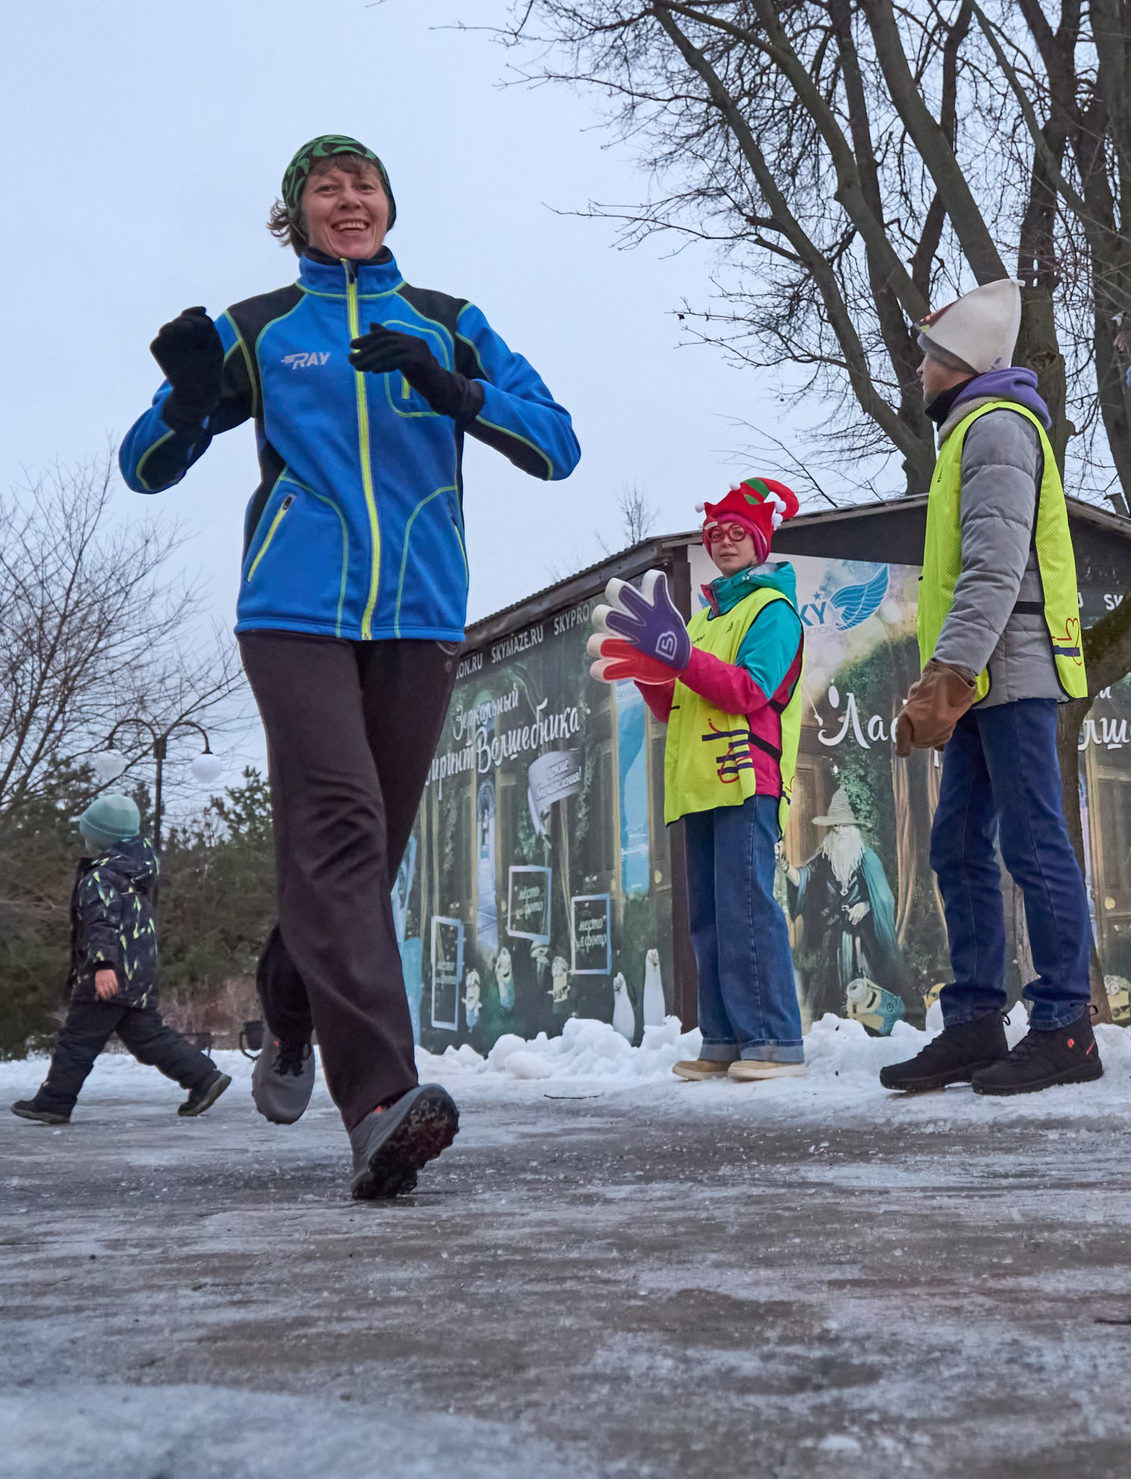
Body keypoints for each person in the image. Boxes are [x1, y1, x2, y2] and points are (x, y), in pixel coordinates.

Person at [116, 134, 581, 1198]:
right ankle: (378, 1102)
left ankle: (287, 1008)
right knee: (339, 825)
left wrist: (454, 389)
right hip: (293, 608)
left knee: (361, 863)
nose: (347, 198)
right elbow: (145, 467)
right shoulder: (264, 328)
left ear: (388, 207)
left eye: (363, 183)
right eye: (325, 188)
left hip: (419, 613)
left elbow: (558, 444)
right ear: (298, 217)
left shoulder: (450, 321)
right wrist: (190, 399)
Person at [879, 280, 1105, 1096]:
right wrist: (953, 669)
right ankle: (974, 1024)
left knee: (1032, 842)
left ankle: (1064, 1027)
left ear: (959, 363)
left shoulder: (999, 428)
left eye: (930, 355)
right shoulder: (972, 431)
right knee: (960, 845)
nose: (919, 366)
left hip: (1004, 671)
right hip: (981, 671)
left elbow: (996, 566)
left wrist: (951, 672)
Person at [592, 478, 809, 1080]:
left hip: (744, 778)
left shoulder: (772, 611)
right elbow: (676, 710)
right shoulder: (706, 619)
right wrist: (649, 673)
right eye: (715, 533)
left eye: (739, 531)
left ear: (762, 539)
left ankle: (773, 1040)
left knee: (745, 910)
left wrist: (681, 658)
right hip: (697, 785)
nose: (725, 541)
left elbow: (749, 690)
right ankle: (724, 1038)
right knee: (709, 920)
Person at [12, 794, 232, 1125]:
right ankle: (203, 1076)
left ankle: (54, 1102)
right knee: (148, 1037)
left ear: (101, 836)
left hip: (110, 974)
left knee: (78, 1040)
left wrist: (102, 965)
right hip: (139, 974)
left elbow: (101, 924)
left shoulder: (102, 877)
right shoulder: (137, 875)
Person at [793, 788, 915, 1033]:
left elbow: (883, 898)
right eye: (834, 827)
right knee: (829, 1000)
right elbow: (803, 879)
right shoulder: (822, 859)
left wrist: (867, 906)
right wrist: (787, 869)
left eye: (844, 827)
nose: (839, 832)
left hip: (862, 941)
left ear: (854, 830)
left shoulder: (868, 859)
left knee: (867, 993)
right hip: (831, 942)